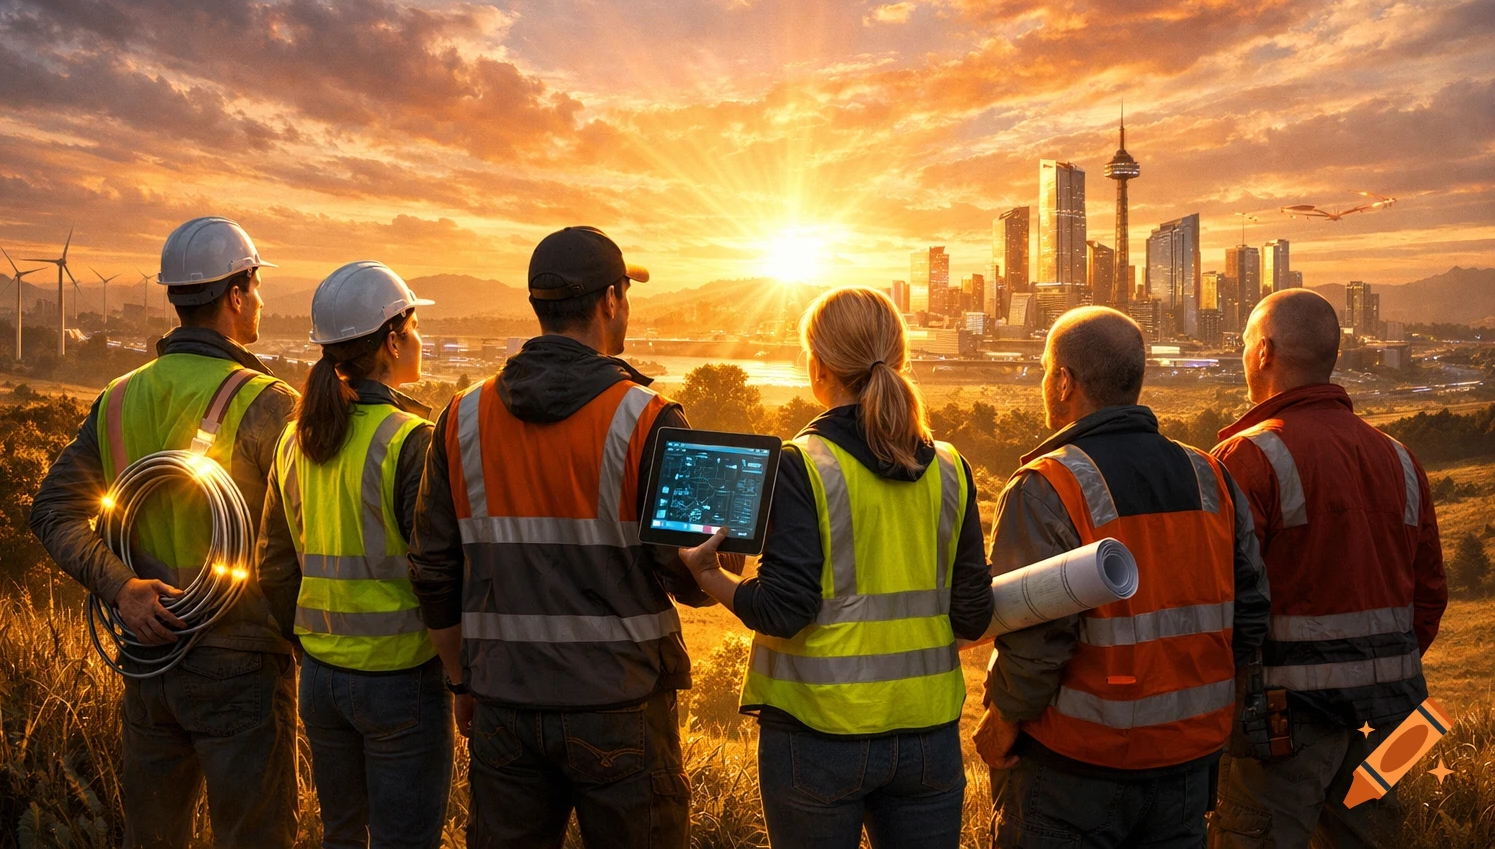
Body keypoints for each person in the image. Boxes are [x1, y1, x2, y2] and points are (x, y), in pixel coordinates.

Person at [408, 226, 717, 849]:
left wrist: (461, 684)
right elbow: (689, 579)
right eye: (626, 293)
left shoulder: (462, 417)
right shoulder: (650, 417)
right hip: (624, 704)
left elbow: (433, 571)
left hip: (502, 703)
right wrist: (720, 555)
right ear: (609, 301)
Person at [678, 285, 995, 849]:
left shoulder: (803, 464)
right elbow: (972, 615)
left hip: (817, 737)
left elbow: (783, 609)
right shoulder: (952, 467)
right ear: (898, 359)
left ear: (817, 366)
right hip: (929, 737)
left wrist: (711, 577)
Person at [29, 217, 299, 848]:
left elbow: (52, 510)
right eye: (255, 285)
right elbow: (298, 545)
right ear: (235, 294)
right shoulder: (268, 401)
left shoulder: (120, 396)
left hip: (148, 662)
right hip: (242, 664)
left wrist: (122, 588)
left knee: (152, 838)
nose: (259, 299)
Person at [974, 306, 1270, 849]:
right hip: (1186, 765)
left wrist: (1004, 722)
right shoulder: (1212, 475)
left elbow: (1038, 635)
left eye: (1045, 369)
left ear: (1064, 382)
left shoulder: (1047, 484)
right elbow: (1250, 616)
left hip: (1072, 768)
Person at [1208, 289, 1446, 849]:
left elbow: (1218, 603)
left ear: (1264, 352)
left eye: (1244, 344)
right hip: (1398, 717)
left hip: (1284, 727)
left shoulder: (1247, 458)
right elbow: (1430, 597)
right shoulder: (1402, 458)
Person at [256, 262, 449, 849]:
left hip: (320, 678)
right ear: (392, 340)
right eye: (413, 327)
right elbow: (438, 572)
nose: (419, 340)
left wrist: (306, 643)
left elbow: (274, 564)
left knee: (341, 835)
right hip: (400, 680)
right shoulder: (410, 439)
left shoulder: (297, 437)